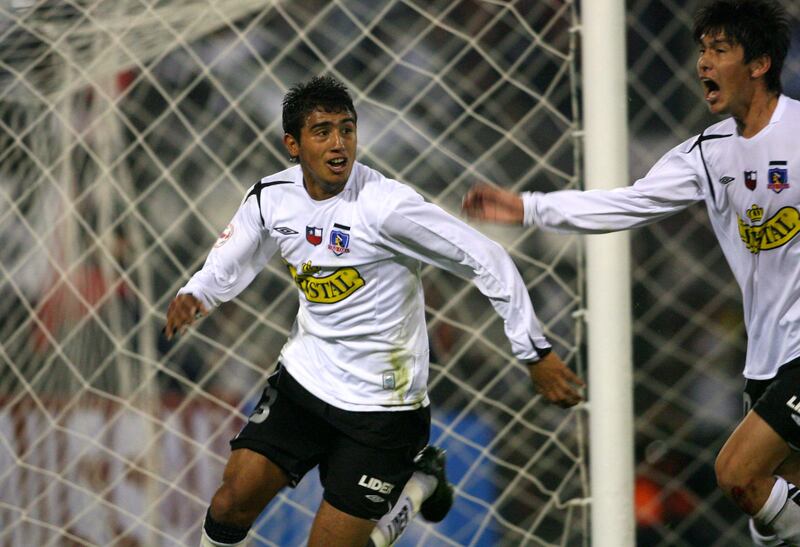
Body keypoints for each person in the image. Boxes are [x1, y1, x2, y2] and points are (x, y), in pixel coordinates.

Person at [165, 75, 583, 547]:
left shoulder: (386, 208)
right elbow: (237, 251)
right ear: (293, 144)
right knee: (228, 504)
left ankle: (419, 486)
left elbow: (488, 258)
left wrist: (534, 351)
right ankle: (416, 483)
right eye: (322, 132)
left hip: (383, 411)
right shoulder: (271, 198)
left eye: (347, 129)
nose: (339, 143)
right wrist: (197, 293)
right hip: (305, 383)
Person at [463, 0, 800, 544]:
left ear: (760, 63)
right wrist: (529, 207)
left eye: (719, 50)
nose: (703, 65)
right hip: (766, 359)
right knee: (775, 516)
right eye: (701, 51)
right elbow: (625, 204)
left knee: (737, 473)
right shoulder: (708, 155)